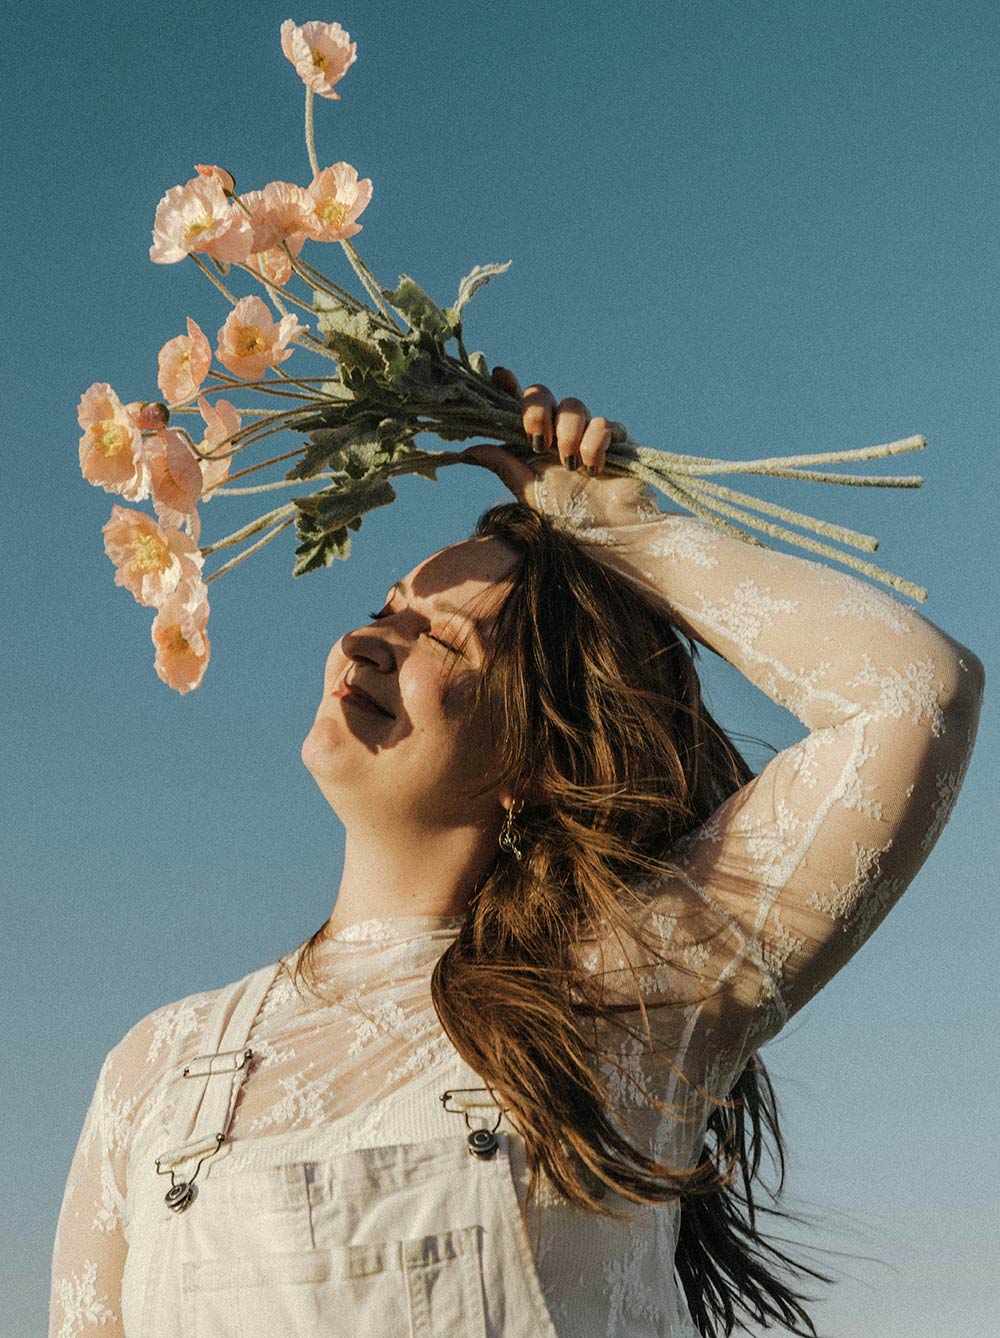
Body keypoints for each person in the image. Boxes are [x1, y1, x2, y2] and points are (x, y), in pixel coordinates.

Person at [49, 369, 985, 1337]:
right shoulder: (158, 1069)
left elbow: (913, 691)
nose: (369, 645)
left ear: (534, 761)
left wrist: (622, 533)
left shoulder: (635, 990)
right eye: (383, 611)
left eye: (441, 639)